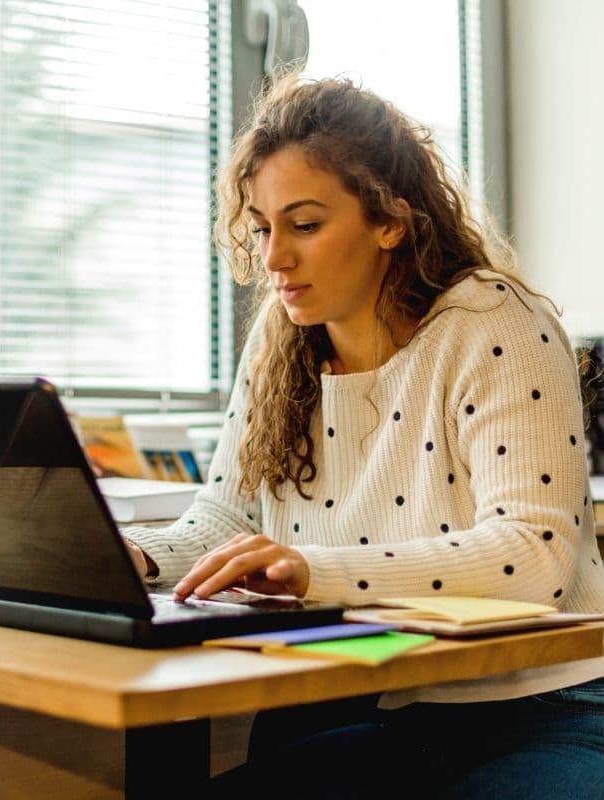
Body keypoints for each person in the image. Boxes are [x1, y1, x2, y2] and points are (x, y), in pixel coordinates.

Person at [124, 73, 604, 798]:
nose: (274, 257)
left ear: (390, 221)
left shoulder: (491, 323)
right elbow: (225, 523)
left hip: (546, 708)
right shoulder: (283, 338)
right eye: (261, 227)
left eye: (305, 225)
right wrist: (125, 559)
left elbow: (532, 560)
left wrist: (311, 570)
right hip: (400, 711)